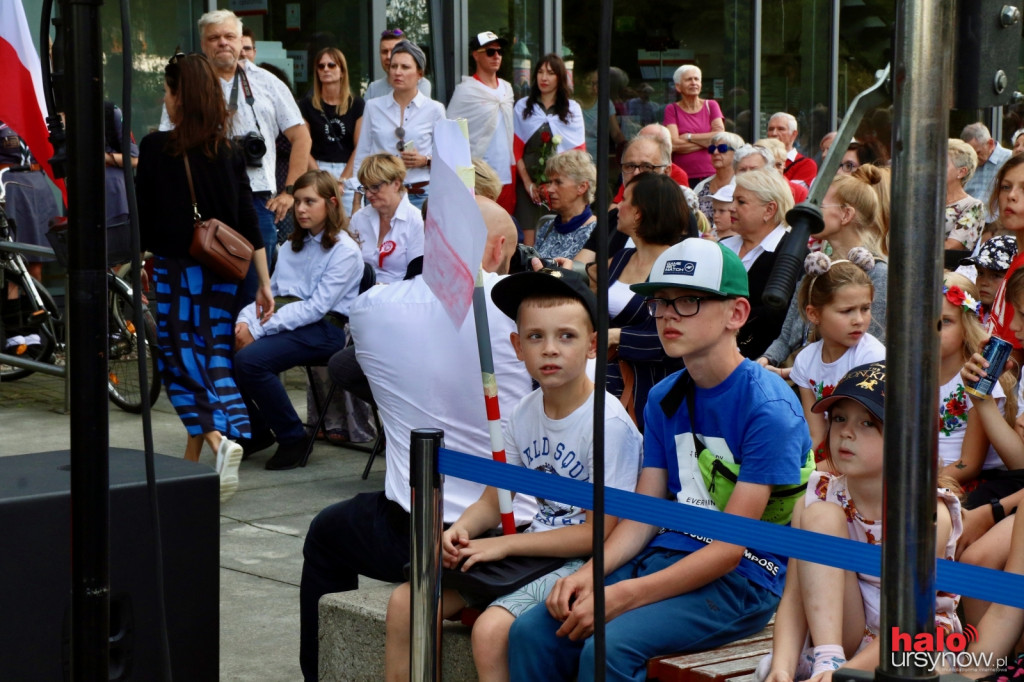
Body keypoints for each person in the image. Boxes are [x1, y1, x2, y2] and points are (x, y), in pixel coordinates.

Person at [508, 237, 812, 682]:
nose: (668, 314)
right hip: (662, 555)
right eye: (660, 302)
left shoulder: (768, 406)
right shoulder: (664, 395)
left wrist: (625, 595)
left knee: (606, 649)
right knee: (532, 631)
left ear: (737, 313)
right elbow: (643, 515)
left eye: (688, 301)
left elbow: (729, 549)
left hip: (742, 579)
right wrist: (591, 575)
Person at [299, 197, 530, 681]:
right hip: (512, 525)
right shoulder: (523, 310)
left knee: (327, 534)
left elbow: (345, 366)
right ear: (500, 248)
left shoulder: (371, 308)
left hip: (416, 527)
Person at [383, 267, 643, 682]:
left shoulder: (606, 425)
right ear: (517, 347)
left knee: (491, 631)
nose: (550, 350)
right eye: (536, 337)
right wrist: (462, 530)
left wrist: (503, 546)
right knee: (406, 602)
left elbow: (599, 533)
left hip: (582, 561)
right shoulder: (523, 412)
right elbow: (494, 498)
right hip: (530, 550)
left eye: (566, 336)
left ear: (594, 345)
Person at [756, 362, 962, 682]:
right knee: (819, 515)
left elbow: (908, 620)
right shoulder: (821, 495)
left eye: (867, 422)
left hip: (910, 642)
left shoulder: (927, 514)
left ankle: (832, 669)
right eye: (839, 418)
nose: (847, 432)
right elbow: (795, 594)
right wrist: (782, 666)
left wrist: (847, 673)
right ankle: (826, 660)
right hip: (843, 635)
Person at [136, 53, 271, 502]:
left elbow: (143, 219)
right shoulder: (229, 151)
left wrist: (135, 259)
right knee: (211, 354)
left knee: (178, 358)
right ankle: (193, 471)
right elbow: (248, 221)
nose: (165, 97)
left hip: (178, 271)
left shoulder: (157, 148)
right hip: (224, 273)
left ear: (180, 95)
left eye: (168, 90)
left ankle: (218, 438)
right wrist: (265, 282)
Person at [160, 11, 310, 303]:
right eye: (214, 38)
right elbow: (169, 138)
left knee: (254, 291)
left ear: (242, 41)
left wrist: (290, 191)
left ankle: (247, 348)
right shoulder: (188, 83)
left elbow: (301, 136)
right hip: (203, 202)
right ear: (203, 44)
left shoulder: (266, 81)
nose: (222, 43)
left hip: (257, 200)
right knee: (209, 291)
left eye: (229, 36)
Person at [233, 170, 364, 470]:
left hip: (327, 330)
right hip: (287, 322)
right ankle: (254, 431)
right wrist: (244, 323)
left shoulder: (344, 250)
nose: (301, 209)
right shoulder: (291, 245)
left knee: (251, 361)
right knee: (226, 351)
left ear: (331, 203)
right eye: (298, 202)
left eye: (310, 202)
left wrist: (258, 328)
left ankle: (293, 437)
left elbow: (315, 308)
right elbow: (270, 294)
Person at [759, 168, 890, 375]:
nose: (810, 210)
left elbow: (867, 349)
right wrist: (765, 361)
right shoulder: (817, 265)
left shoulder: (877, 273)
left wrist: (792, 374)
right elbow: (786, 337)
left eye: (818, 204)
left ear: (846, 214)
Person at [603, 172, 695, 428]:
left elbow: (679, 334)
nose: (617, 206)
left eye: (625, 200)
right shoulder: (622, 257)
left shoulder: (678, 266)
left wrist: (617, 336)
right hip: (609, 383)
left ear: (640, 213)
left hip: (652, 392)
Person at [790, 250, 885, 452]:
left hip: (865, 455)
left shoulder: (872, 357)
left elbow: (867, 440)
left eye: (865, 308)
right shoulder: (805, 360)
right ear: (814, 314)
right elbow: (816, 434)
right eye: (846, 311)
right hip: (832, 452)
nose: (859, 320)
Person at [936, 273, 1020, 496]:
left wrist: (920, 483)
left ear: (966, 326)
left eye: (945, 321)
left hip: (964, 483)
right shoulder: (913, 376)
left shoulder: (979, 375)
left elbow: (970, 464)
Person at [346, 39, 444, 213]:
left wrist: (425, 160)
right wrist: (356, 200)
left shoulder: (434, 109)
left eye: (405, 67)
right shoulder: (373, 106)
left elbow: (448, 158)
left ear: (420, 73)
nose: (397, 72)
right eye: (393, 66)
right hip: (379, 194)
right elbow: (362, 155)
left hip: (419, 195)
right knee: (379, 241)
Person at [721, 168, 795, 359]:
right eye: (733, 200)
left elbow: (782, 317)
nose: (731, 207)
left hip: (762, 361)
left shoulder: (791, 253)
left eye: (741, 201)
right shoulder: (723, 246)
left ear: (769, 210)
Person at [513, 53, 585, 243]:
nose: (544, 78)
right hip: (527, 186)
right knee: (528, 244)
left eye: (550, 73)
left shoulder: (572, 109)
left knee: (557, 236)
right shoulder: (522, 107)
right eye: (540, 72)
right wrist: (529, 184)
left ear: (560, 77)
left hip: (559, 186)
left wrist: (553, 184)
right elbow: (515, 150)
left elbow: (578, 154)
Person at [446, 31, 516, 214]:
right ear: (476, 55)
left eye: (499, 52)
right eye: (490, 52)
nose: (497, 56)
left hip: (507, 175)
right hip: (478, 176)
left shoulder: (507, 89)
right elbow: (450, 132)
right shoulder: (466, 91)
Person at [300, 47, 364, 218]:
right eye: (321, 66)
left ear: (342, 71)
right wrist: (321, 176)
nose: (326, 69)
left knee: (352, 227)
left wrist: (342, 179)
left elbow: (360, 147)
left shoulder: (357, 104)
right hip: (317, 168)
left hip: (348, 171)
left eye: (331, 65)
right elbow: (302, 146)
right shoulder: (306, 105)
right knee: (318, 224)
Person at [349, 153, 424, 283]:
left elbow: (416, 277)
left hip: (399, 296)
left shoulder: (417, 221)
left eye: (375, 187)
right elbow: (348, 265)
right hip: (359, 294)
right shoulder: (358, 218)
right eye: (365, 188)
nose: (368, 194)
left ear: (396, 184)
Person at [663, 65, 724, 188]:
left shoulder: (711, 105)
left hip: (711, 173)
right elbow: (674, 144)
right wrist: (706, 143)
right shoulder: (672, 109)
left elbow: (719, 137)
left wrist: (689, 137)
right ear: (678, 86)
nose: (693, 83)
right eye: (688, 79)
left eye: (696, 79)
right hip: (682, 176)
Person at [533, 150, 598, 259]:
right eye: (550, 182)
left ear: (582, 187)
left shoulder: (597, 231)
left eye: (558, 182)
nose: (549, 189)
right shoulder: (547, 227)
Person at [959, 235, 1017, 326]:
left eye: (995, 275)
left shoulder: (1017, 325)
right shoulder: (971, 314)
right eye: (980, 273)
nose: (984, 283)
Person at [363, 28, 432, 100]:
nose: (389, 56)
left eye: (394, 51)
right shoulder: (373, 89)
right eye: (384, 52)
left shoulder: (421, 84)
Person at [575, 68, 626, 163]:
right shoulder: (573, 104)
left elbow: (615, 133)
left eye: (597, 83)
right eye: (590, 83)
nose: (594, 88)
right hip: (575, 159)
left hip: (596, 160)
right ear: (581, 83)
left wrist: (626, 145)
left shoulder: (605, 103)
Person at [962, 122, 1012, 219]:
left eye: (978, 152)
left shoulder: (1009, 160)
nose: (974, 158)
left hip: (999, 225)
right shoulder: (968, 162)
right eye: (970, 154)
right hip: (969, 223)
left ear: (990, 143)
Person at [693, 131, 743, 223]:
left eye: (722, 148)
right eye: (712, 149)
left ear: (737, 153)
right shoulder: (701, 187)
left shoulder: (742, 185)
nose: (715, 152)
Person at [945, 139, 985, 251]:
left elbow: (952, 246)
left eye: (943, 165)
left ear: (961, 172)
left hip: (949, 267)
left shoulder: (973, 206)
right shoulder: (925, 200)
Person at [767, 112, 817, 189]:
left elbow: (792, 194)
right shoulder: (759, 159)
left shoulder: (806, 164)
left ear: (794, 134)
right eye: (771, 129)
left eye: (781, 129)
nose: (774, 133)